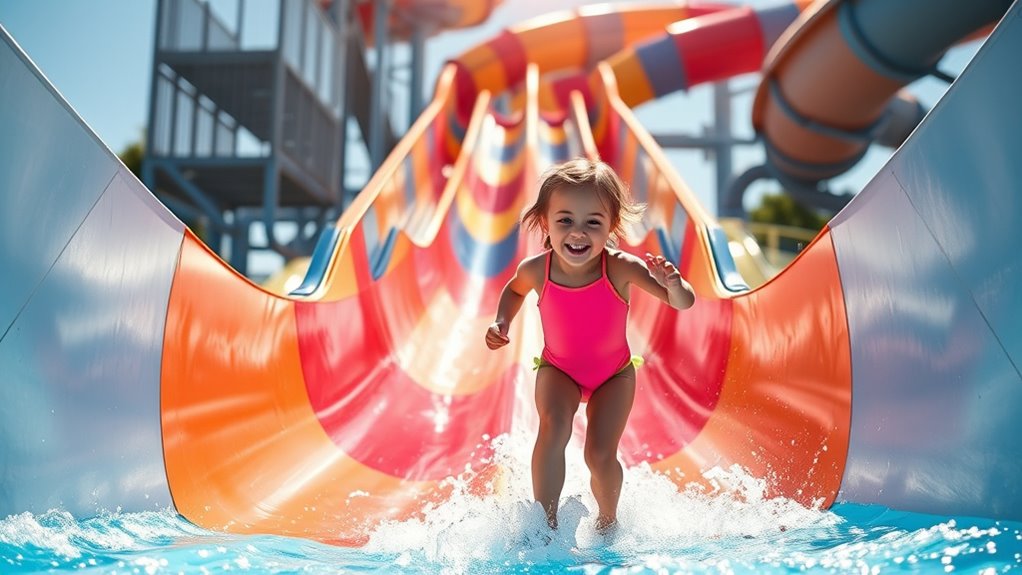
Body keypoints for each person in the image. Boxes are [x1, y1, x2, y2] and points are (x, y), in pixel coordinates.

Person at [484, 158, 696, 533]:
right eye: (565, 220)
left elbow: (683, 302)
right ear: (545, 222)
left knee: (598, 454)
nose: (578, 232)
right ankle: (545, 525)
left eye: (593, 223)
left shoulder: (620, 267)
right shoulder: (536, 270)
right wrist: (502, 321)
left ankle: (607, 522)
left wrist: (674, 285)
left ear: (611, 226)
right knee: (553, 427)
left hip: (613, 376)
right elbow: (514, 291)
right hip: (559, 370)